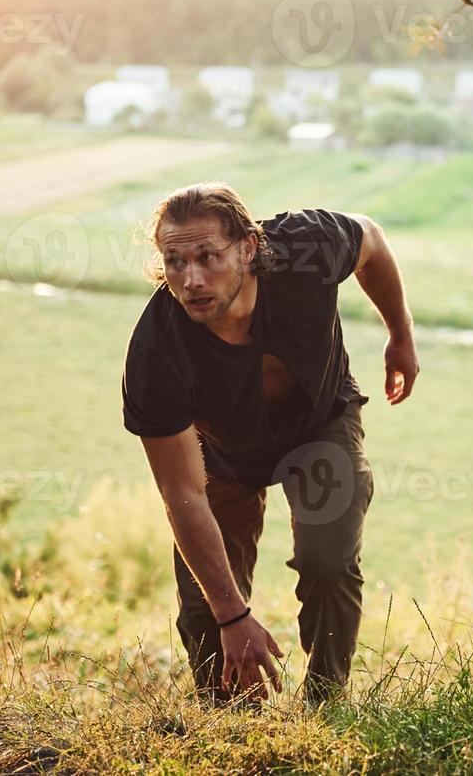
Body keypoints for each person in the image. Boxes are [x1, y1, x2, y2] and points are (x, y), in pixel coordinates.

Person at [121, 181, 418, 705]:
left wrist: (400, 334)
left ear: (248, 248)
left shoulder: (308, 246)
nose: (190, 280)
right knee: (204, 608)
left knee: (328, 562)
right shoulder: (155, 351)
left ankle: (326, 708)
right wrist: (233, 615)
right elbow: (183, 494)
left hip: (319, 425)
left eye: (207, 257)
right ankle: (231, 719)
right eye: (174, 261)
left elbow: (371, 239)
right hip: (223, 454)